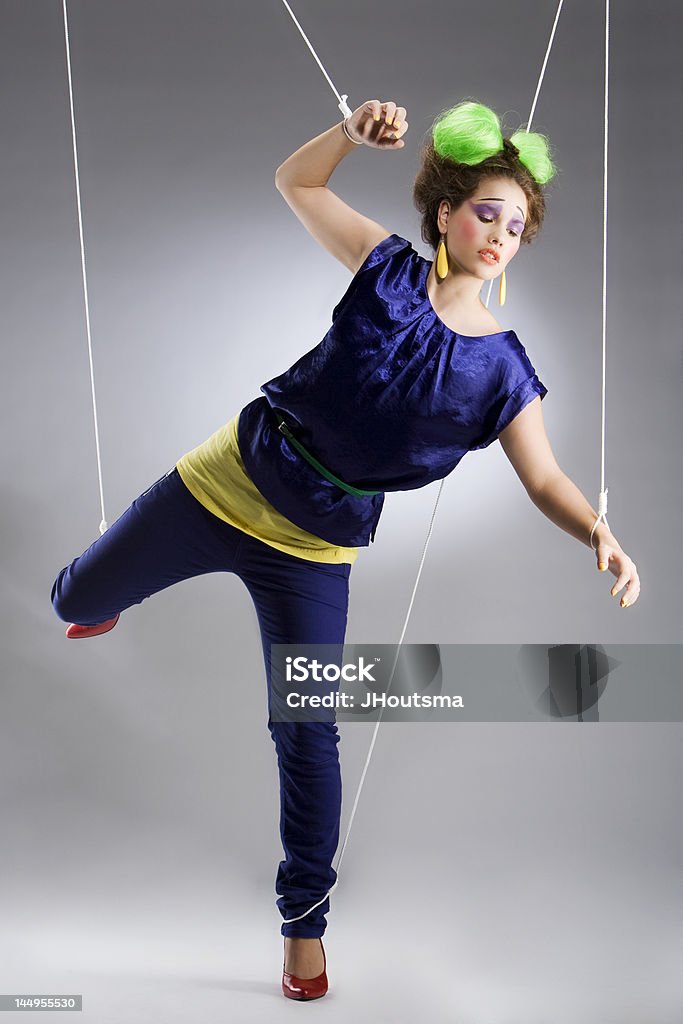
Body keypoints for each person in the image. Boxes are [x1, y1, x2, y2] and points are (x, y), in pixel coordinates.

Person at [50, 98, 641, 1000]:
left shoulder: (506, 371)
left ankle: (302, 930)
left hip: (315, 551)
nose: (500, 234)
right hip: (225, 480)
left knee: (306, 731)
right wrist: (347, 134)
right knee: (70, 602)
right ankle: (106, 593)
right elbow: (295, 181)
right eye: (486, 211)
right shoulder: (386, 270)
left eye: (517, 226)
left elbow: (544, 481)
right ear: (445, 211)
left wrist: (597, 530)